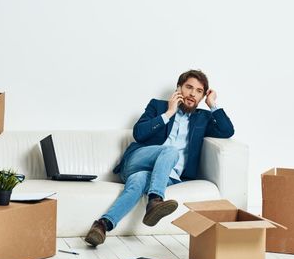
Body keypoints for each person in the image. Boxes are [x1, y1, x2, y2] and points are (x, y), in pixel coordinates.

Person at [84, 69, 234, 246]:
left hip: (167, 176)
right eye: (188, 87)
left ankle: (102, 225)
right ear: (179, 88)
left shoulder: (203, 118)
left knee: (138, 181)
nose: (193, 93)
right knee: (170, 151)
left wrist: (213, 104)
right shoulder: (158, 106)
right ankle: (155, 200)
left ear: (202, 97)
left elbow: (227, 131)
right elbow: (138, 134)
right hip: (138, 161)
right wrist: (168, 113)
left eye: (199, 91)